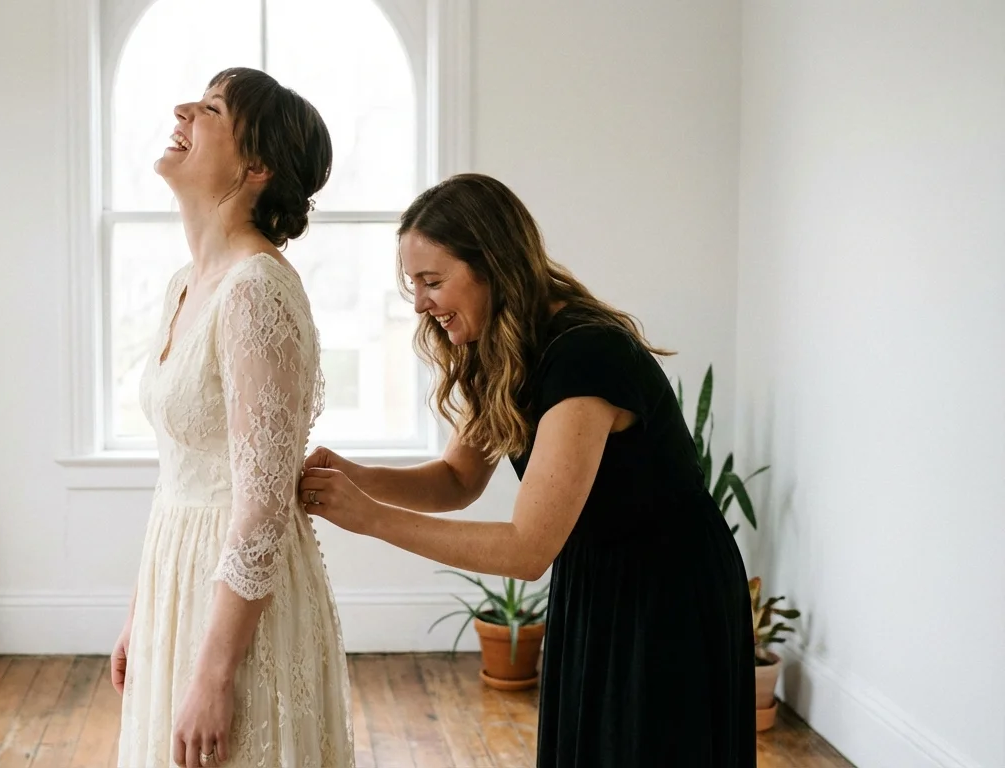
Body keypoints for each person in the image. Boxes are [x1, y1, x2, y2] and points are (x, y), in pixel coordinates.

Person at [299, 173, 755, 766]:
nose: (419, 304)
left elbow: (526, 549)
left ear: (491, 264)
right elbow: (457, 480)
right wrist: (356, 476)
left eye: (433, 282)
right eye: (414, 285)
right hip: (596, 582)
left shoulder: (586, 355)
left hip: (668, 596)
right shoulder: (502, 347)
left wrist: (372, 518)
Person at [113, 67, 354, 768]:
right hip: (179, 576)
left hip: (241, 608)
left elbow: (260, 507)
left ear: (256, 167)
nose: (183, 108)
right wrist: (142, 613)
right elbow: (179, 475)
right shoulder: (184, 286)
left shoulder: (256, 292)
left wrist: (215, 674)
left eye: (211, 107)